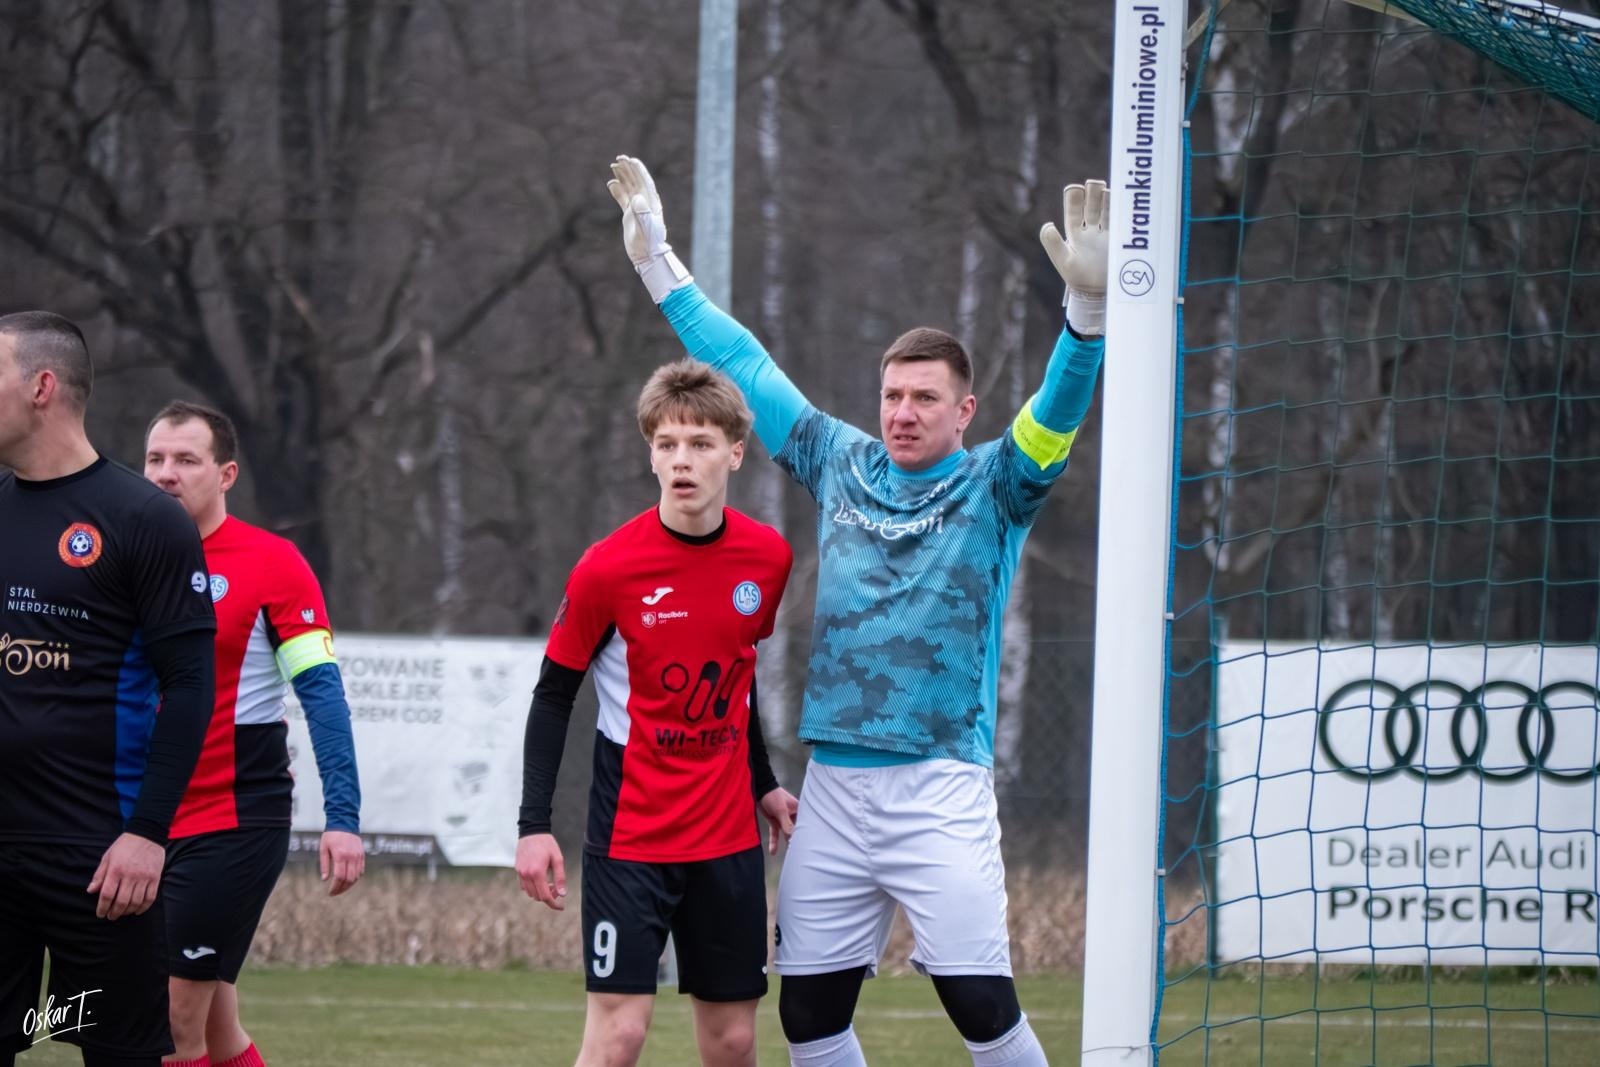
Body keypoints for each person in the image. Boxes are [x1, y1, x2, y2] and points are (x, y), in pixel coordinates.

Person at [606, 155, 1111, 1067]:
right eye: (892, 395)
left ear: (964, 409)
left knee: (981, 1007)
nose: (904, 412)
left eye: (925, 397)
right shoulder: (839, 461)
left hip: (939, 786)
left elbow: (1057, 410)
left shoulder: (999, 482)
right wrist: (658, 267)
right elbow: (744, 364)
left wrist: (1085, 317)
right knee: (808, 1017)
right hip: (833, 789)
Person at [516, 359, 798, 1067]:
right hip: (630, 840)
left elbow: (738, 681)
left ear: (735, 452)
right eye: (667, 443)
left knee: (734, 1041)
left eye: (700, 443)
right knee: (619, 1037)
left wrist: (763, 783)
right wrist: (533, 827)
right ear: (650, 453)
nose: (682, 460)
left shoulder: (767, 558)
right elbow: (552, 697)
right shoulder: (607, 568)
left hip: (727, 840)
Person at [0, 312, 217, 1067]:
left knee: (119, 1052)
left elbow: (190, 686)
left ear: (41, 387)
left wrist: (148, 833)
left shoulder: (144, 519)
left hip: (102, 859)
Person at [143, 400, 364, 1067]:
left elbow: (322, 695)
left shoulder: (272, 563)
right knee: (217, 1028)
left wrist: (343, 817)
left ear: (226, 474)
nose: (166, 473)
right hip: (139, 823)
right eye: (155, 459)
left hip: (231, 822)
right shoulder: (123, 558)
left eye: (186, 459)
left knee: (168, 1023)